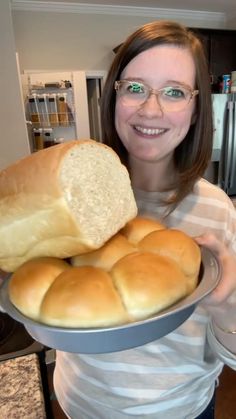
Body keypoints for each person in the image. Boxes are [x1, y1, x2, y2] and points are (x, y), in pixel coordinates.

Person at [54, 20, 236, 418]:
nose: (151, 109)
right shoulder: (71, 196)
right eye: (135, 87)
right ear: (113, 97)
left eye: (174, 92)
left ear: (195, 109)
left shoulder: (220, 211)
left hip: (183, 409)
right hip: (83, 405)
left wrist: (226, 307)